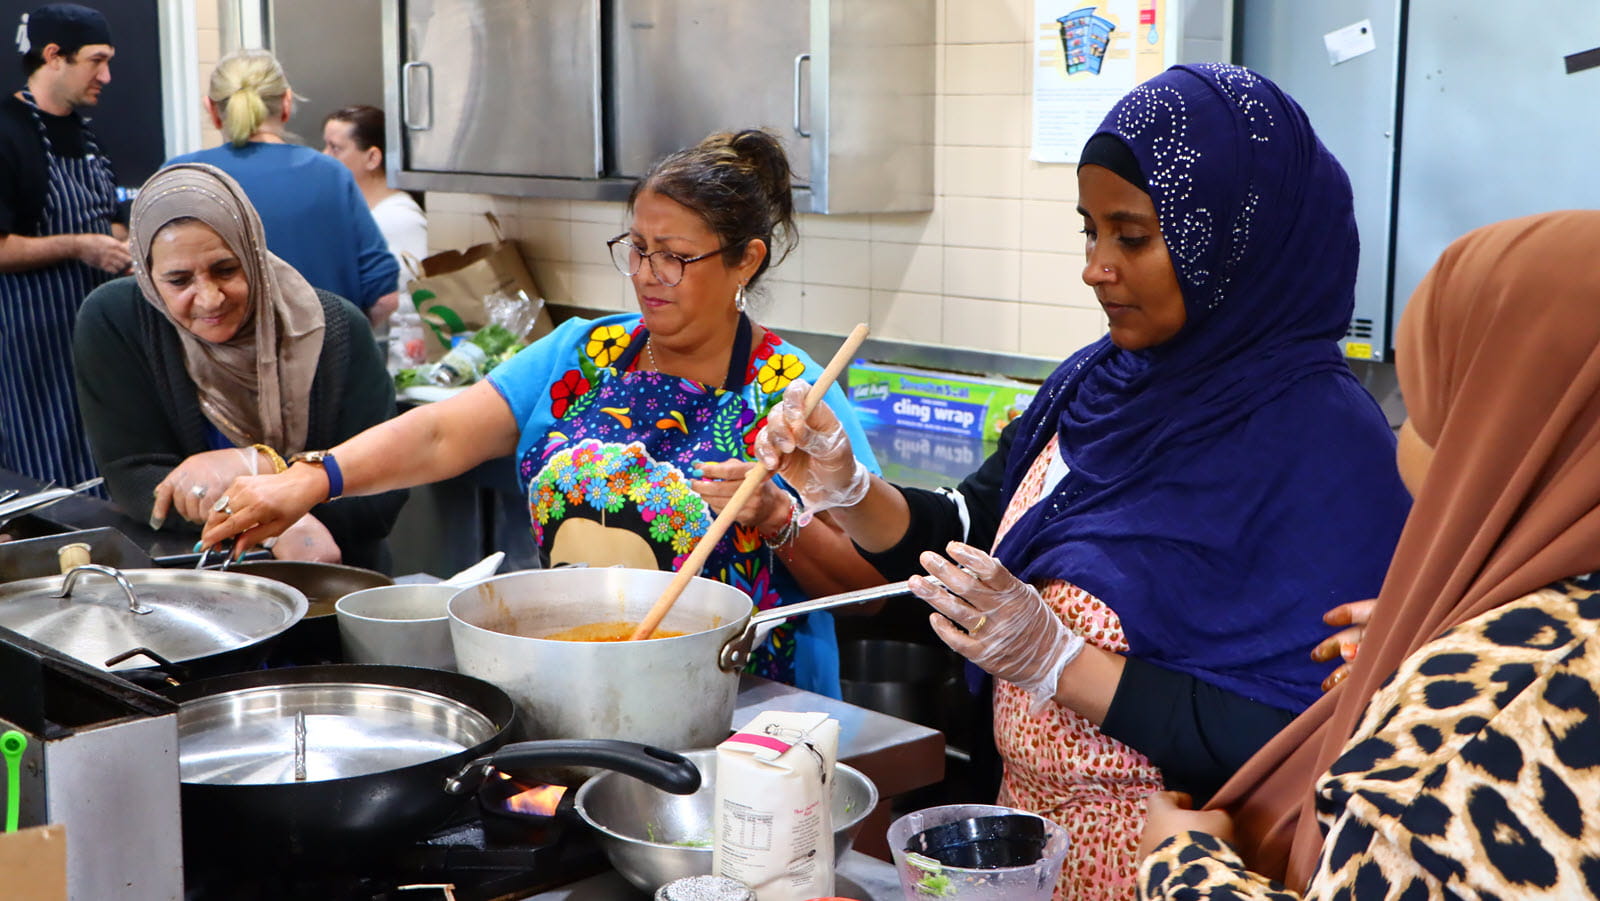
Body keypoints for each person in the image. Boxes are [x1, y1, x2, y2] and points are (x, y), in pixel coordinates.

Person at [754, 64, 1411, 899]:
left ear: (1234, 242)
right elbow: (974, 528)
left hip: (1180, 869)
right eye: (1088, 232)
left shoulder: (1323, 446)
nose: (1096, 267)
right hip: (1027, 855)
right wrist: (850, 492)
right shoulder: (1101, 381)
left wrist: (1060, 660)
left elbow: (1308, 734)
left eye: (1131, 237)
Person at [198, 129, 883, 695]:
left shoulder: (794, 397)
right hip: (573, 677)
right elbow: (439, 433)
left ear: (745, 262)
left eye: (675, 258)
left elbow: (874, 589)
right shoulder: (582, 354)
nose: (647, 275)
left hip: (743, 704)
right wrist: (312, 479)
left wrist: (778, 520)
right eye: (638, 249)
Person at [1137, 210, 1600, 899]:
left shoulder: (1475, 718)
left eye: (1420, 403)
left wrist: (1182, 865)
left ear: (1497, 432)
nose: (1401, 435)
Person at [73, 163, 406, 570]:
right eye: (179, 281)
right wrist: (281, 513)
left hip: (331, 575)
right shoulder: (116, 321)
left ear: (253, 252)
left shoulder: (333, 330)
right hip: (190, 583)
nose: (210, 298)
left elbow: (380, 495)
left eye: (226, 269)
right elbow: (136, 479)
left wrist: (258, 472)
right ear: (147, 276)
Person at [167, 49, 398, 327]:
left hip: (216, 366)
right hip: (323, 361)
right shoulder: (331, 174)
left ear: (212, 111)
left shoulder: (181, 177)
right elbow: (384, 296)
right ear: (286, 104)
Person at [0, 3, 127, 487]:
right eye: (97, 60)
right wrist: (79, 247)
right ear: (54, 55)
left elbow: (108, 223)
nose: (108, 76)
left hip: (96, 336)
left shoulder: (87, 134)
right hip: (31, 341)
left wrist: (130, 245)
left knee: (102, 466)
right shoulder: (7, 130)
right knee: (46, 483)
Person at [322, 104, 426, 291]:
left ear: (372, 158)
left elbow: (407, 300)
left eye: (335, 148)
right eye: (326, 146)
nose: (324, 156)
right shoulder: (360, 211)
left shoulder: (399, 219)